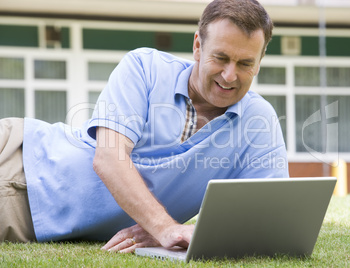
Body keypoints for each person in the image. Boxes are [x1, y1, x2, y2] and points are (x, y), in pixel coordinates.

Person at [0, 0, 288, 253]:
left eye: (245, 63)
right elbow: (109, 158)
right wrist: (164, 227)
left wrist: (171, 230)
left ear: (259, 62)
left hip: (28, 212)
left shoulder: (259, 121)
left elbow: (270, 218)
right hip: (18, 154)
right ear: (198, 46)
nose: (229, 75)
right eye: (221, 58)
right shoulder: (144, 67)